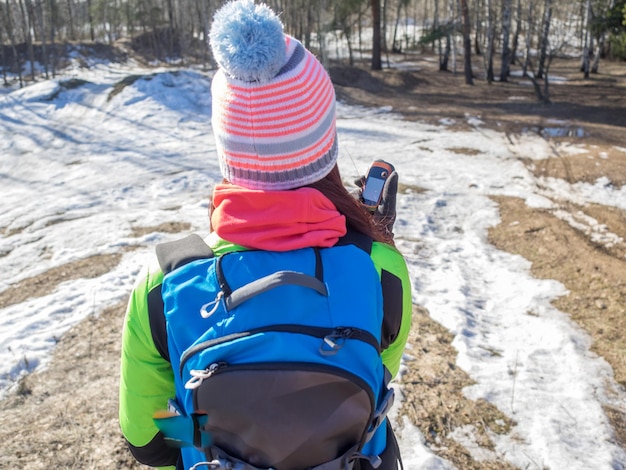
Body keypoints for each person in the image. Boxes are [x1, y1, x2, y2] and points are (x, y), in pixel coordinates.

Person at [118, 1, 412, 469]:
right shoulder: (380, 268)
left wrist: (199, 427)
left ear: (226, 150)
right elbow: (373, 377)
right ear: (326, 146)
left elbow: (146, 439)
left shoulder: (165, 280)